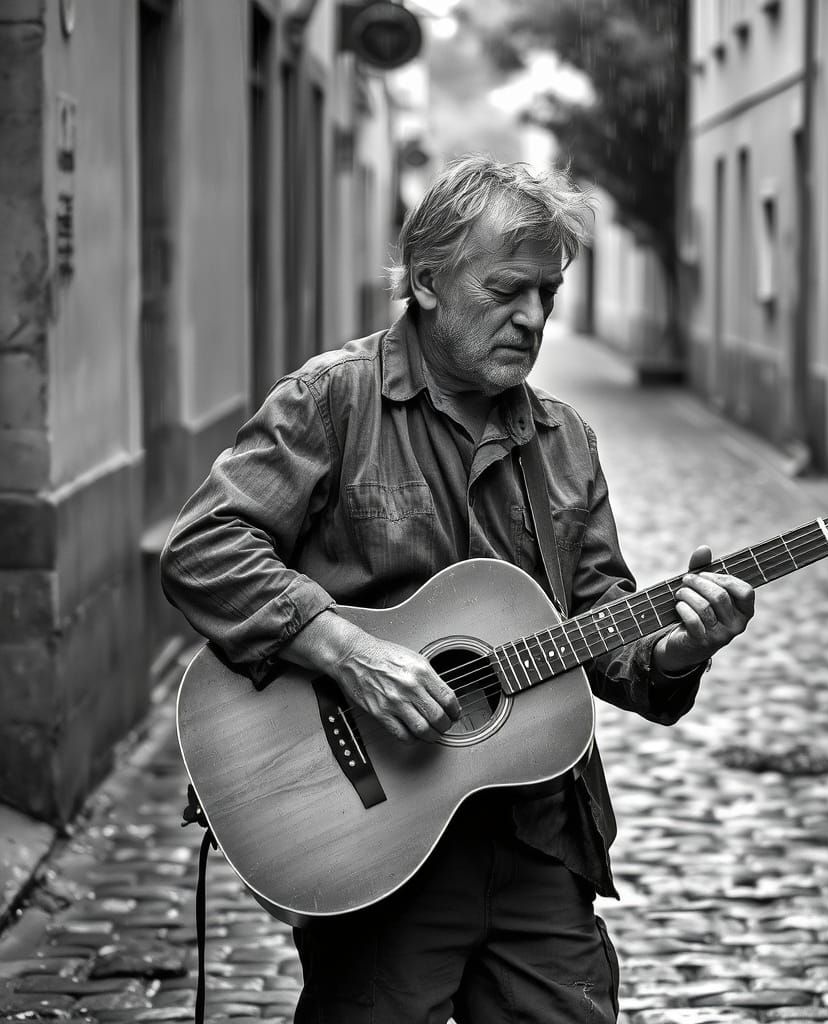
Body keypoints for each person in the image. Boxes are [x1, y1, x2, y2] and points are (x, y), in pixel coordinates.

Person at [161, 155, 755, 1023]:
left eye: (549, 295)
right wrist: (350, 652)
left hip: (541, 839)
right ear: (429, 281)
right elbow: (204, 548)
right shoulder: (335, 400)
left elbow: (602, 629)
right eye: (509, 289)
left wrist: (676, 648)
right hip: (378, 837)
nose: (533, 317)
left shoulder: (564, 440)